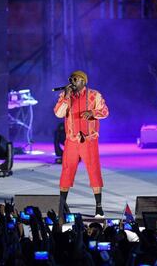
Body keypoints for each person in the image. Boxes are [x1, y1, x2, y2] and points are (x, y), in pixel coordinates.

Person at [54, 70, 109, 218]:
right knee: (67, 171)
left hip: (88, 140)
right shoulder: (66, 96)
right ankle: (62, 206)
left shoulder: (94, 95)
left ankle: (98, 207)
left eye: (75, 79)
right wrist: (65, 96)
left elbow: (105, 111)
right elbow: (58, 113)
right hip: (71, 140)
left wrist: (92, 113)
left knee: (94, 171)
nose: (72, 81)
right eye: (71, 79)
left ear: (83, 82)